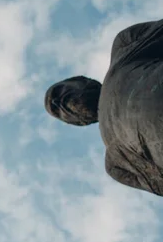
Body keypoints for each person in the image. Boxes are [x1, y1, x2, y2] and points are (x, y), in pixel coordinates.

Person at [44, 19, 163, 196]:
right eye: (58, 110)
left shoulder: (124, 49)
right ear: (81, 122)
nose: (57, 102)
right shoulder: (116, 164)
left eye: (59, 92)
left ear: (84, 81)